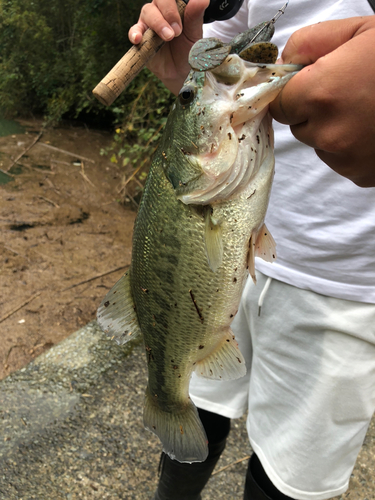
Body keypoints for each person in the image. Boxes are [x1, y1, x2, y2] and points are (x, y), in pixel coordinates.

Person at [129, 1, 375, 499]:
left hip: (346, 275)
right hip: (240, 247)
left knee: (292, 472)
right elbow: (227, 40)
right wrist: (191, 50)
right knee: (198, 399)